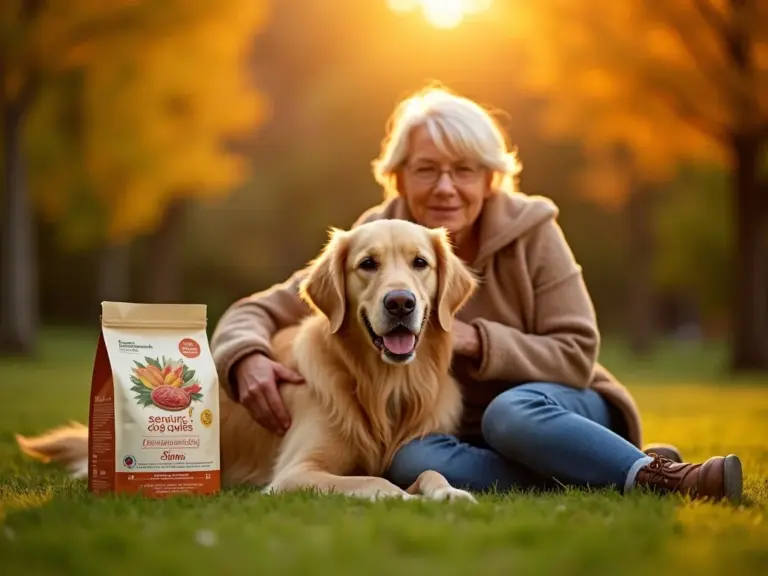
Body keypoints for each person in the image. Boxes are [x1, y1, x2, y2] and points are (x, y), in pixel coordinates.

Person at [210, 84, 743, 502]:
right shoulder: (377, 237)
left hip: (554, 405)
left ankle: (659, 475)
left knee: (509, 414)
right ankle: (590, 469)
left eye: (463, 170)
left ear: (490, 178)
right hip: (455, 434)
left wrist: (473, 341)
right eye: (426, 170)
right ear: (398, 179)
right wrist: (245, 356)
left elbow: (578, 354)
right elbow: (264, 306)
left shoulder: (535, 230)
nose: (445, 187)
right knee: (411, 464)